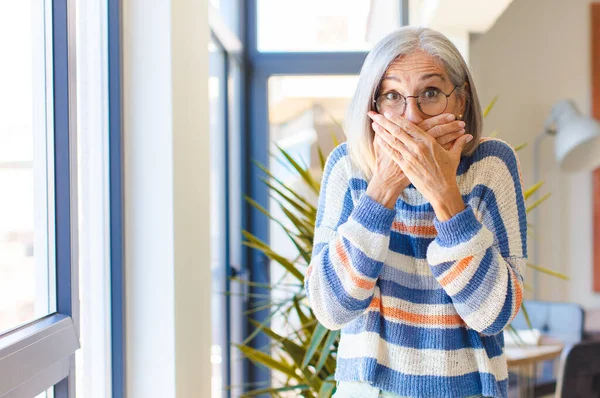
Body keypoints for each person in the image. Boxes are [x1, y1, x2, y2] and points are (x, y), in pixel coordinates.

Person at [305, 26, 527, 398]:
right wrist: (383, 188)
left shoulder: (491, 166)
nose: (411, 116)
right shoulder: (347, 168)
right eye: (392, 95)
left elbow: (495, 314)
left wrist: (444, 193)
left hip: (469, 389)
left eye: (430, 93)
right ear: (372, 106)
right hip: (367, 389)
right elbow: (331, 309)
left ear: (460, 101)